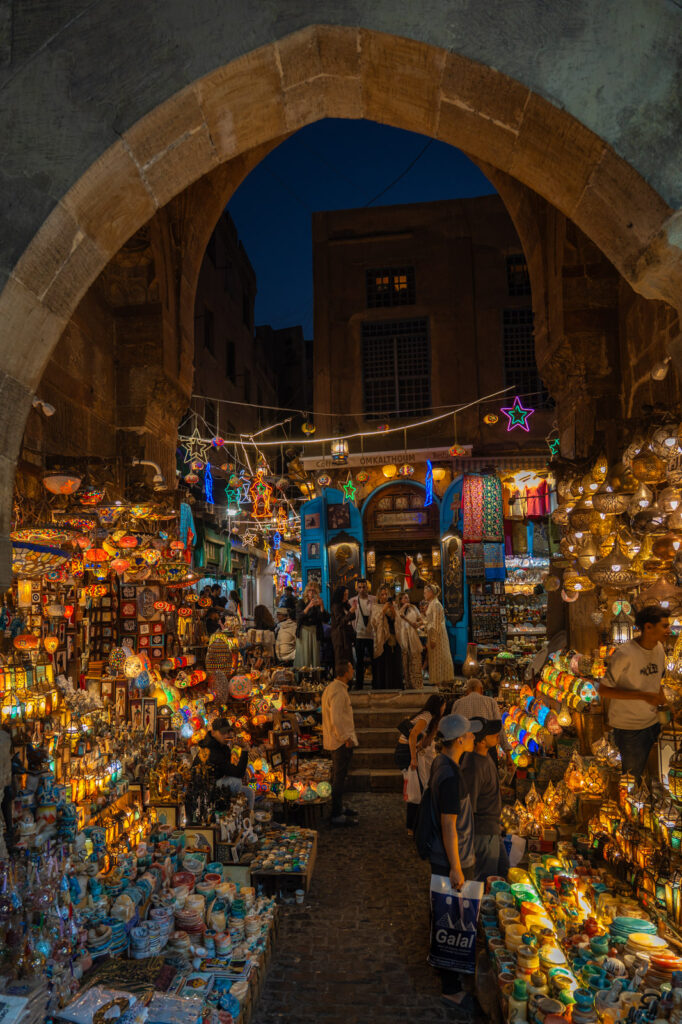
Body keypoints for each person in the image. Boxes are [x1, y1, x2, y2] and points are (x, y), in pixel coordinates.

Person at [428, 714, 482, 1013]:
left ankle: (446, 971)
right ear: (459, 740)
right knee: (452, 918)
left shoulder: (441, 763)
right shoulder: (450, 775)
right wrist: (456, 866)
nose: (473, 737)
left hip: (447, 854)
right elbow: (449, 824)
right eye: (470, 734)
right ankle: (450, 987)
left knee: (444, 914)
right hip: (452, 855)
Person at [599, 605, 671, 779]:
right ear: (648, 627)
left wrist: (666, 706)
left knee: (655, 776)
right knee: (632, 779)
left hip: (653, 723)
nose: (668, 630)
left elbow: (655, 681)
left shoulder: (659, 649)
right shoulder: (625, 654)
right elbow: (604, 690)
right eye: (664, 626)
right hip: (630, 729)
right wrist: (642, 696)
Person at [461, 718, 509, 881]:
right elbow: (468, 806)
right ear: (481, 741)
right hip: (483, 833)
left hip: (492, 828)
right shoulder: (473, 767)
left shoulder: (485, 756)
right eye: (492, 734)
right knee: (486, 878)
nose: (497, 736)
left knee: (502, 870)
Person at [396, 693, 446, 834]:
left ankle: (416, 824)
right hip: (405, 753)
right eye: (443, 706)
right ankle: (412, 827)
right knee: (416, 789)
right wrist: (413, 758)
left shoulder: (429, 718)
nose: (444, 708)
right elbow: (413, 735)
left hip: (407, 751)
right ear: (438, 706)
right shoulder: (427, 716)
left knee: (419, 788)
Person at [321, 659, 359, 826]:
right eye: (351, 669)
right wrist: (345, 738)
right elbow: (336, 719)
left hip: (338, 740)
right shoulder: (337, 691)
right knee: (339, 778)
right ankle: (336, 814)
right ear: (345, 673)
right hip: (340, 742)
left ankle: (339, 807)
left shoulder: (335, 688)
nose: (353, 671)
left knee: (340, 777)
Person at [199, 717, 255, 810]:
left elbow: (235, 771)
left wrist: (242, 749)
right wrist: (244, 750)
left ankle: (249, 816)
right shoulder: (211, 749)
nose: (226, 735)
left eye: (228, 732)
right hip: (208, 788)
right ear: (213, 733)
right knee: (235, 782)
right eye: (222, 732)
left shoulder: (223, 747)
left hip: (218, 785)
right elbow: (238, 773)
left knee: (249, 792)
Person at [371, 586, 404, 690]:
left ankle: (395, 684)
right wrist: (383, 611)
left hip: (394, 637)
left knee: (394, 662)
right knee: (384, 663)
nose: (384, 596)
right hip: (382, 639)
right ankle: (384, 685)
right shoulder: (376, 606)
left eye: (386, 594)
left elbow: (398, 621)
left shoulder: (393, 606)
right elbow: (374, 622)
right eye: (382, 594)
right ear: (379, 596)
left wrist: (393, 611)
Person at [423, 583, 455, 686]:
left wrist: (433, 639)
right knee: (435, 660)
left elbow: (436, 623)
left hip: (437, 636)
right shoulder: (432, 603)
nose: (424, 594)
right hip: (433, 634)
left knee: (440, 659)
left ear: (431, 593)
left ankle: (441, 684)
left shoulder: (436, 604)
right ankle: (438, 684)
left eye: (425, 592)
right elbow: (429, 620)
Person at [350, 579, 376, 691]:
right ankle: (359, 684)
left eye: (364, 587)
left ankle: (376, 683)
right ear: (356, 588)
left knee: (374, 661)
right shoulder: (352, 601)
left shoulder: (374, 599)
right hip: (359, 634)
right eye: (359, 587)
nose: (362, 589)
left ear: (367, 588)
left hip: (371, 635)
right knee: (359, 661)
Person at [294, 582, 324, 668]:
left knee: (315, 657)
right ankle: (303, 675)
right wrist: (309, 606)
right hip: (304, 631)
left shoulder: (318, 603)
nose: (311, 593)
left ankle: (315, 675)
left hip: (315, 631)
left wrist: (321, 606)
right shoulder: (301, 602)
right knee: (304, 657)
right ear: (306, 592)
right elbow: (299, 616)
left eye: (313, 591)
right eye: (309, 590)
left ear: (317, 592)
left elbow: (323, 618)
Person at [398, 591, 425, 689]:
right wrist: (404, 607)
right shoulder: (398, 609)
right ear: (400, 600)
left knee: (415, 659)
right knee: (405, 661)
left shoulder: (413, 608)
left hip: (412, 635)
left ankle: (417, 684)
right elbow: (399, 615)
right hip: (402, 636)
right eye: (405, 598)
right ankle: (408, 683)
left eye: (408, 598)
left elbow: (421, 620)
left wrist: (417, 624)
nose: (407, 600)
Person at [330, 586, 355, 671]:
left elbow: (352, 617)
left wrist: (351, 610)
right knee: (341, 660)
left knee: (348, 660)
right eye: (344, 595)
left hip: (347, 637)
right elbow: (340, 622)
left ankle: (348, 677)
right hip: (340, 638)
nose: (346, 597)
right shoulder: (336, 606)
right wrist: (350, 612)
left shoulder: (345, 604)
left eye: (347, 594)